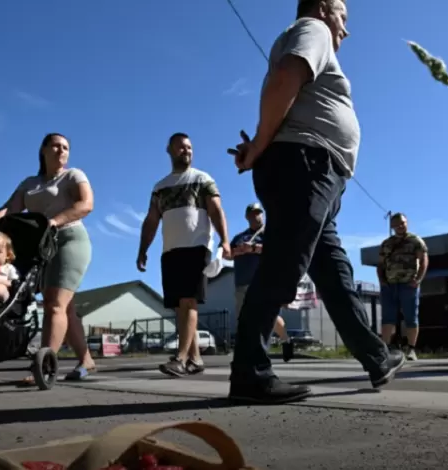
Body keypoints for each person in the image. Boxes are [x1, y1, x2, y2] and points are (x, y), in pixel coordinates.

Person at [226, 0, 404, 404]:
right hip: (305, 165)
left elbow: (287, 84)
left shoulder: (314, 34)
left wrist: (261, 145)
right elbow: (286, 76)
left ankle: (376, 356)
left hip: (315, 170)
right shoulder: (314, 28)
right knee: (284, 263)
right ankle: (250, 373)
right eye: (343, 15)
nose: (347, 28)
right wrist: (258, 145)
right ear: (324, 8)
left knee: (333, 272)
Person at [0, 133, 95, 381]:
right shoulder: (30, 183)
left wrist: (54, 222)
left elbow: (86, 204)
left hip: (69, 239)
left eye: (66, 147)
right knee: (64, 307)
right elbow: (10, 208)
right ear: (43, 150)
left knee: (54, 304)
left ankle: (42, 367)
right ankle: (87, 360)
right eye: (56, 146)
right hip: (41, 246)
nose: (61, 151)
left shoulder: (73, 175)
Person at [138, 132, 231, 378]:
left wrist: (225, 240)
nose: (186, 151)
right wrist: (142, 249)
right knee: (180, 307)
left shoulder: (203, 179)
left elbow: (216, 210)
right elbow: (151, 220)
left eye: (189, 147)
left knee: (189, 301)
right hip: (170, 250)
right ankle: (196, 359)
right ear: (169, 150)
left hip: (197, 246)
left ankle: (179, 359)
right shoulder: (160, 187)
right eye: (181, 147)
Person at [230, 203, 294, 362]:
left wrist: (254, 248)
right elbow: (227, 253)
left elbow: (278, 250)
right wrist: (239, 250)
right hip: (242, 282)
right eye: (252, 214)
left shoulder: (270, 234)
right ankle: (246, 351)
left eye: (258, 213)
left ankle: (286, 339)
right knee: (243, 317)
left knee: (267, 316)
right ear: (247, 217)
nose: (256, 216)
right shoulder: (239, 237)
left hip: (264, 280)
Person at [376, 212, 428, 361]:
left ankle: (411, 349)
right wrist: (382, 281)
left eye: (403, 223)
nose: (400, 226)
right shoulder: (387, 243)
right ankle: (385, 349)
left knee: (411, 317)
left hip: (408, 284)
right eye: (397, 224)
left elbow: (424, 260)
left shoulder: (415, 241)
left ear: (407, 223)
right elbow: (380, 264)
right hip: (390, 285)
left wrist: (418, 280)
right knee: (388, 318)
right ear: (392, 226)